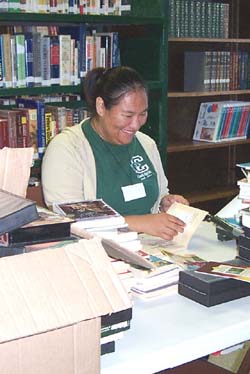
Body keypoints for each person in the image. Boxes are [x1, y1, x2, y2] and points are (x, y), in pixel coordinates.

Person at [42, 66, 189, 240]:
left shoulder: (146, 143)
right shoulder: (66, 148)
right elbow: (70, 221)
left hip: (150, 244)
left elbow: (158, 194)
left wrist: (165, 202)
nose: (135, 125)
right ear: (101, 106)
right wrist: (141, 223)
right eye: (127, 115)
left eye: (143, 114)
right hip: (97, 250)